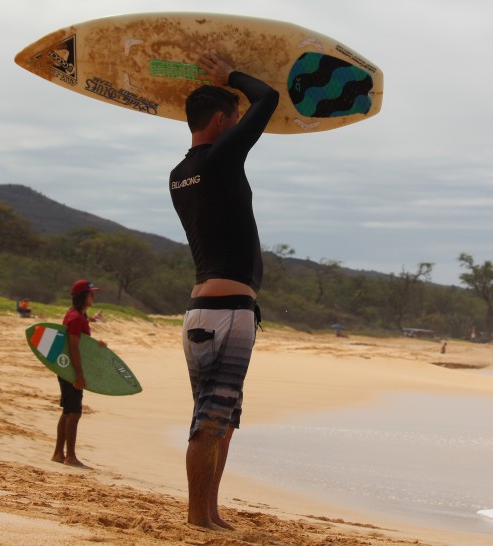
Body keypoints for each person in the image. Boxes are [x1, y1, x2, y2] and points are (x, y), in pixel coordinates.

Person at [169, 51, 278, 530]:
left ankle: (210, 512)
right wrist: (229, 75)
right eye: (233, 119)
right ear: (221, 120)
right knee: (212, 420)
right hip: (225, 314)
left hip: (206, 313)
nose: (238, 126)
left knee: (222, 418)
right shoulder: (219, 160)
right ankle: (198, 517)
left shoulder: (180, 174)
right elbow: (268, 98)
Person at [51, 279, 104, 468]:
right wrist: (79, 375)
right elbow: (72, 347)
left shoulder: (79, 315)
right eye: (91, 293)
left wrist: (96, 346)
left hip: (68, 369)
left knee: (68, 412)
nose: (94, 297)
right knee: (74, 413)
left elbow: (81, 344)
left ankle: (59, 453)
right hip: (70, 370)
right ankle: (70, 457)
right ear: (83, 296)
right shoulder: (75, 318)